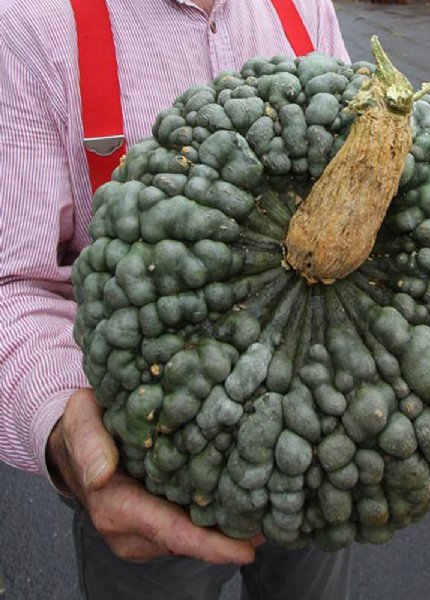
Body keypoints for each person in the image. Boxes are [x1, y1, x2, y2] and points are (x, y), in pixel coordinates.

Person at [0, 1, 352, 598]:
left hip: (321, 449)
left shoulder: (304, 5)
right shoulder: (29, 24)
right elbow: (14, 285)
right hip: (149, 469)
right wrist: (63, 432)